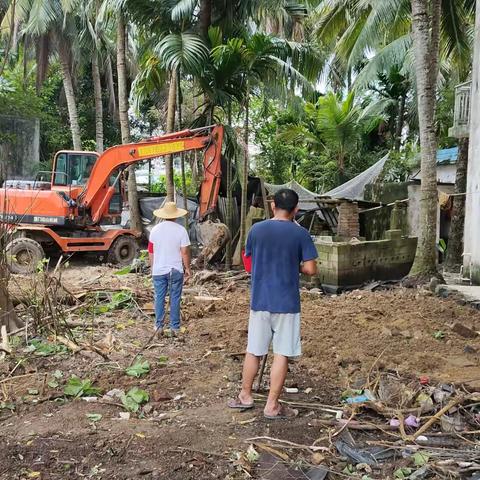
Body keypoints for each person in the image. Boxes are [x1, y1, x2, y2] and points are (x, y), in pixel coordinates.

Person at [228, 188, 318, 419]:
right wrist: (293, 264)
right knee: (282, 353)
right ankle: (271, 406)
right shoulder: (301, 234)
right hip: (286, 303)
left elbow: (248, 261)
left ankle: (245, 396)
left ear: (272, 206)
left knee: (254, 350)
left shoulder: (257, 230)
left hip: (260, 300)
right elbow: (310, 269)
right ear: (296, 210)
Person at [148, 201, 192, 336]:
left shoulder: (154, 230)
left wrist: (152, 267)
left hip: (158, 270)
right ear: (176, 216)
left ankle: (158, 326)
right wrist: (187, 268)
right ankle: (175, 328)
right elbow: (184, 252)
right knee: (175, 298)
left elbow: (151, 251)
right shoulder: (181, 230)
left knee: (159, 297)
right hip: (175, 269)